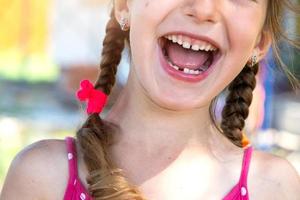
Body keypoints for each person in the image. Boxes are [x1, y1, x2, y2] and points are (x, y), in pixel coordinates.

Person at [1, 0, 300, 199]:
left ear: (260, 44)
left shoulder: (273, 187)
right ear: (124, 6)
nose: (204, 8)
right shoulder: (41, 178)